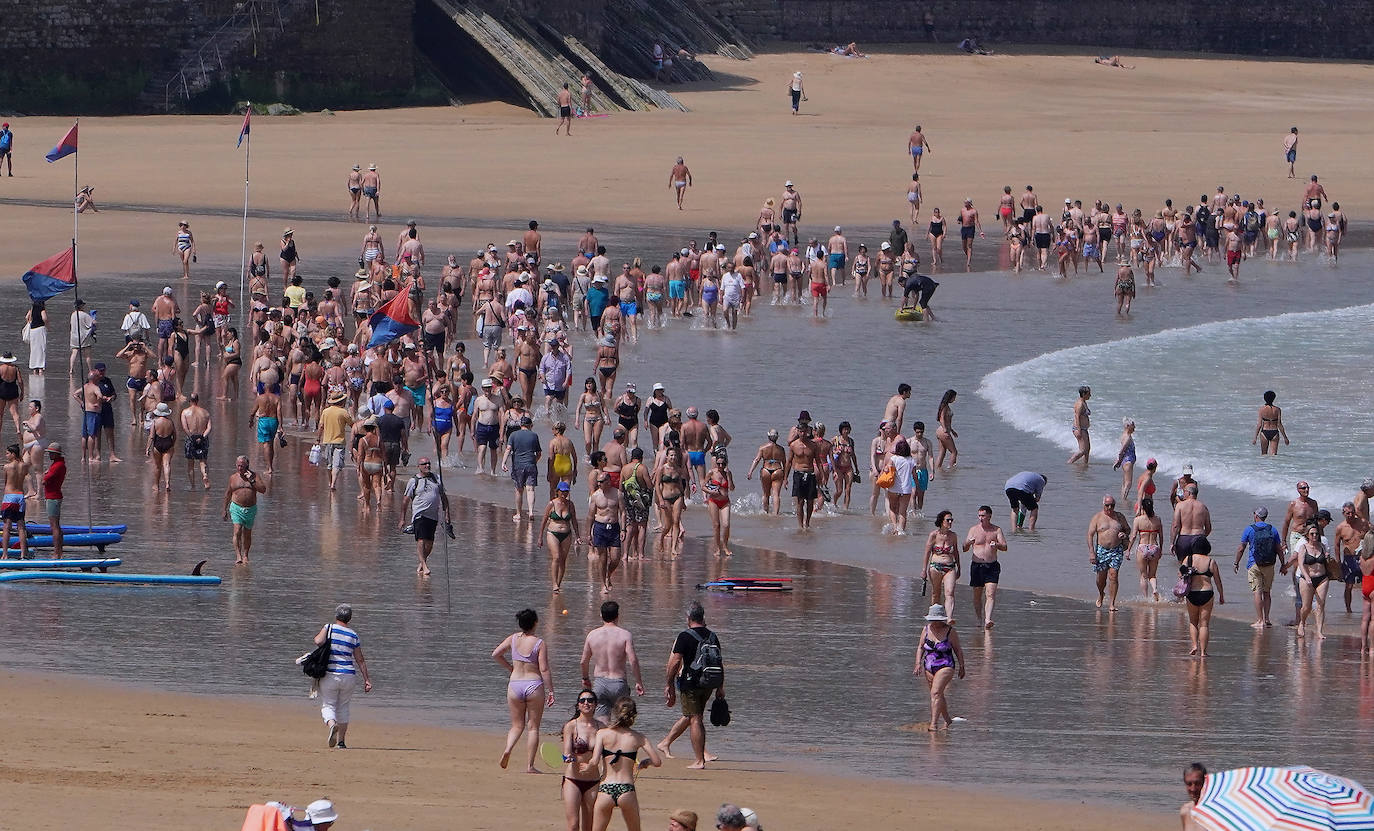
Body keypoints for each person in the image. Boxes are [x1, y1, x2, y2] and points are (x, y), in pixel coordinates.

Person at [658, 602, 724, 769]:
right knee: (696, 717)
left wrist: (669, 683)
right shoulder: (712, 635)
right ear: (703, 617)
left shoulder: (684, 636)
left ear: (688, 618)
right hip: (709, 682)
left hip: (691, 682)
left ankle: (699, 760)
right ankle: (673, 745)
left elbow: (675, 662)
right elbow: (719, 661)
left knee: (694, 719)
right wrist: (720, 686)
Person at [493, 608, 555, 772]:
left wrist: (510, 668)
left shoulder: (513, 639)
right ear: (535, 623)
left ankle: (508, 749)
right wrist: (551, 691)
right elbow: (544, 669)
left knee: (516, 726)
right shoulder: (539, 643)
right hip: (533, 684)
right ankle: (530, 766)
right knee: (533, 727)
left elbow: (496, 654)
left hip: (515, 684)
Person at [590, 698, 661, 831]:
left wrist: (584, 765)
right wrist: (646, 762)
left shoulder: (602, 734)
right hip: (626, 788)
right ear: (634, 715)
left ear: (614, 712)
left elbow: (594, 761)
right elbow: (657, 762)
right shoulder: (639, 737)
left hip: (606, 788)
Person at [313, 603, 372, 749]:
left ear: (336, 616)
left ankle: (332, 724)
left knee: (328, 704)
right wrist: (367, 680)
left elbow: (318, 641)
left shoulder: (329, 628)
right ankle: (341, 742)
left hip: (330, 674)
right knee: (344, 707)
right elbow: (360, 659)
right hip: (349, 676)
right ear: (349, 619)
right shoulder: (353, 635)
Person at [580, 600, 646, 723]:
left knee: (602, 724)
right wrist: (638, 682)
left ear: (601, 615)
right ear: (617, 616)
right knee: (623, 723)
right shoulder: (625, 635)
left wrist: (585, 678)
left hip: (600, 683)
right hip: (619, 683)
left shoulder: (592, 635)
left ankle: (604, 742)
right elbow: (633, 660)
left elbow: (584, 661)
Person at [914, 604, 963, 731]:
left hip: (946, 665)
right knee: (937, 695)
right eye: (932, 620)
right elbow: (920, 647)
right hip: (929, 666)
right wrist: (918, 663)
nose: (934, 623)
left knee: (935, 693)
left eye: (937, 620)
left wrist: (962, 666)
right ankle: (947, 720)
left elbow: (957, 649)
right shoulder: (926, 629)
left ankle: (933, 724)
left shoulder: (950, 631)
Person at [561, 688, 604, 831]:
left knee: (589, 826)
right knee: (573, 825)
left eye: (590, 700)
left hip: (593, 781)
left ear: (595, 704)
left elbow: (608, 754)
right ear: (578, 705)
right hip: (573, 779)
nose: (586, 703)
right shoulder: (571, 726)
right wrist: (568, 757)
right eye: (583, 700)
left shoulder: (602, 728)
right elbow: (567, 751)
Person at [400, 458, 451, 577]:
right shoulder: (414, 481)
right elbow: (405, 500)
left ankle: (421, 564)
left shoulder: (436, 478)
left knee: (430, 543)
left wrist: (447, 514)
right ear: (419, 466)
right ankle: (425, 565)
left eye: (429, 463)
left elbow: (444, 497)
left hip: (433, 515)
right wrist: (402, 518)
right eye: (424, 464)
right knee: (421, 540)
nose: (427, 465)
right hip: (419, 514)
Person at [1232, 506, 1280, 628]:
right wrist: (1283, 564)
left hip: (1254, 564)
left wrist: (1236, 562)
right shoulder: (1273, 529)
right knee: (1267, 592)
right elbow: (1278, 549)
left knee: (1257, 592)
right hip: (1269, 564)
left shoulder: (1249, 529)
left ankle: (1260, 620)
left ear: (1256, 516)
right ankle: (1267, 619)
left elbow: (1241, 548)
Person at [963, 505, 1007, 629]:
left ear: (989, 516)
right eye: (979, 515)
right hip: (976, 565)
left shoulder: (996, 530)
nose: (980, 518)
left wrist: (997, 545)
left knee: (990, 593)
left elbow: (1005, 546)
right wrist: (968, 543)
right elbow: (964, 548)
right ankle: (979, 618)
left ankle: (988, 619)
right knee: (977, 595)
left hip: (991, 566)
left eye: (983, 516)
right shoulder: (973, 530)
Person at [1179, 537, 1224, 656]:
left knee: (1193, 622)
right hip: (1206, 593)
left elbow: (1180, 575)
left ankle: (1194, 646)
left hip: (1191, 593)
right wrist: (1221, 595)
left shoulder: (1187, 559)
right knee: (1204, 624)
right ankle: (1203, 652)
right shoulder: (1210, 561)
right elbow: (1218, 581)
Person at [1087, 494, 1130, 612]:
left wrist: (1124, 535)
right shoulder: (1097, 517)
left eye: (1112, 505)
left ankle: (1112, 604)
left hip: (1116, 550)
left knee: (1113, 575)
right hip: (1101, 550)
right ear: (1103, 505)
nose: (1110, 508)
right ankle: (1101, 594)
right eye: (1107, 505)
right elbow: (1090, 535)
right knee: (1101, 578)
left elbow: (1127, 529)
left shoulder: (1119, 517)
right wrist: (1091, 552)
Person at [223, 455, 268, 565]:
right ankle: (238, 555)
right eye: (238, 466)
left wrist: (252, 481)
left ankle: (246, 555)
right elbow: (228, 493)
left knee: (247, 534)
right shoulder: (233, 477)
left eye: (242, 466)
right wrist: (224, 509)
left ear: (247, 465)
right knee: (237, 530)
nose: (240, 468)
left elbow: (263, 490)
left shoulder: (255, 476)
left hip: (250, 509)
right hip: (236, 507)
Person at [1291, 521, 1333, 640]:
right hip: (1306, 579)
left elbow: (1326, 562)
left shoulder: (1322, 546)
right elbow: (1300, 563)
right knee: (1306, 607)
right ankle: (1302, 623)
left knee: (1320, 604)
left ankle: (1319, 631)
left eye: (1316, 534)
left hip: (1322, 578)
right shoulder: (1303, 547)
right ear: (1307, 535)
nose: (1315, 536)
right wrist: (1307, 577)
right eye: (1312, 534)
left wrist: (1327, 557)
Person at [1334, 501, 1371, 613]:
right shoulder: (1341, 527)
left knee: (1367, 585)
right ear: (1343, 513)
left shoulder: (1363, 523)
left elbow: (1372, 532)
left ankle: (1368, 608)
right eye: (1347, 513)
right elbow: (1336, 545)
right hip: (1349, 559)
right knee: (1349, 586)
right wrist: (1338, 562)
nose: (1350, 515)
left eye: (1352, 512)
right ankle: (1348, 609)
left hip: (1363, 558)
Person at [503, 415, 542, 522]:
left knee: (519, 490)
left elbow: (508, 449)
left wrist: (503, 462)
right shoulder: (534, 435)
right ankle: (531, 512)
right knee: (530, 489)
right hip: (531, 465)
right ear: (530, 425)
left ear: (521, 425)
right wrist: (534, 461)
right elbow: (538, 453)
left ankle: (519, 514)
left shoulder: (513, 435)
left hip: (518, 466)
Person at [1129, 497, 1164, 601]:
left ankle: (1145, 598)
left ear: (1142, 507)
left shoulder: (1138, 520)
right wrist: (1160, 549)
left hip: (1142, 547)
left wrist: (1128, 549)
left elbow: (1134, 536)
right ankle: (1154, 589)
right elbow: (1161, 536)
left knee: (1144, 575)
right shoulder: (1157, 519)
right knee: (1152, 575)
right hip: (1154, 547)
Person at [1, 443, 31, 559]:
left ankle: (5, 554)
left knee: (6, 526)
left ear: (13, 454)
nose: (6, 455)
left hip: (9, 496)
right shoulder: (25, 466)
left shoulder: (7, 467)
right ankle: (23, 554)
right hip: (20, 497)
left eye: (8, 453)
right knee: (21, 526)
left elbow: (5, 483)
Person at [180, 393, 212, 490]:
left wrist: (192, 437)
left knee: (191, 463)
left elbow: (185, 428)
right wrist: (202, 437)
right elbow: (209, 427)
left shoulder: (185, 412)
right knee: (203, 461)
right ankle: (205, 475)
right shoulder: (205, 412)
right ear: (198, 401)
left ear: (190, 401)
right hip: (203, 437)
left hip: (191, 438)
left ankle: (193, 486)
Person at [40, 443, 65, 559]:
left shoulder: (57, 466)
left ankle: (56, 552)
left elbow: (44, 481)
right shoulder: (58, 464)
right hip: (54, 496)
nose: (49, 455)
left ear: (56, 454)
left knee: (54, 526)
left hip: (52, 497)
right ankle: (59, 551)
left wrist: (45, 475)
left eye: (51, 453)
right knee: (57, 526)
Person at [1252, 390, 1290, 455]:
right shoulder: (1277, 409)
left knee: (1264, 455)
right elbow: (1279, 424)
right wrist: (1285, 437)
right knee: (1273, 456)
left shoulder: (1262, 409)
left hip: (1264, 432)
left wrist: (1255, 437)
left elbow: (1259, 425)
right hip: (1274, 432)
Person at [1067, 385, 1091, 464]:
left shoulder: (1084, 402)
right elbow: (1077, 416)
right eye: (1088, 394)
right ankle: (1069, 463)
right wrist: (1079, 430)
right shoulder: (1080, 404)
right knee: (1083, 450)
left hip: (1084, 428)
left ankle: (1085, 465)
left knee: (1087, 449)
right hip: (1079, 429)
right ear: (1084, 394)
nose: (1090, 395)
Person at [1181, 763, 1208, 831]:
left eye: (1197, 783)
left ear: (1205, 782)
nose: (1193, 789)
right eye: (1189, 784)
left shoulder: (1215, 812)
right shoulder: (1185, 811)